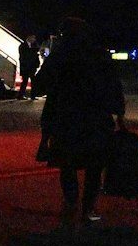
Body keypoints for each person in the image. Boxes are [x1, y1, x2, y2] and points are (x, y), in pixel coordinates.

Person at [34, 16, 125, 225]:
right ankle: (88, 207)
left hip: (64, 117)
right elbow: (113, 85)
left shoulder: (59, 56)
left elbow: (40, 85)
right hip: (95, 118)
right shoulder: (98, 55)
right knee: (95, 164)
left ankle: (70, 203)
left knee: (67, 163)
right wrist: (119, 113)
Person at [17, 34, 42, 100]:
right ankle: (21, 95)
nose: (34, 40)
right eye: (33, 38)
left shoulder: (34, 46)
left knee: (33, 81)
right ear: (29, 37)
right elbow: (23, 57)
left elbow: (35, 54)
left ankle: (32, 96)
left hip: (32, 67)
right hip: (26, 67)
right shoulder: (22, 46)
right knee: (25, 81)